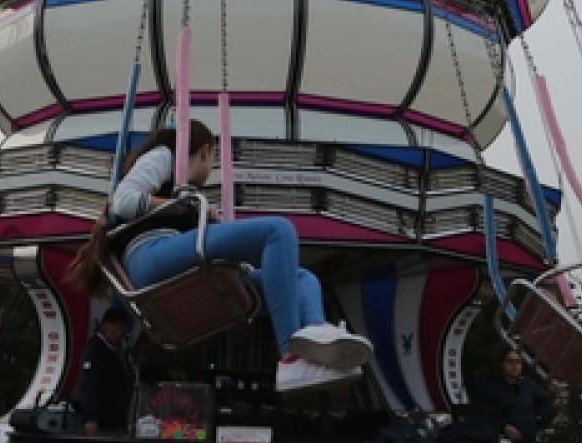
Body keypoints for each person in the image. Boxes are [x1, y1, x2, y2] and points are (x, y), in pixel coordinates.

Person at [68, 121, 372, 393]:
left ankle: (314, 344)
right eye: (212, 161)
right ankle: (290, 355)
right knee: (279, 231)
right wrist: (184, 205)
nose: (210, 169)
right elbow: (123, 201)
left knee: (303, 278)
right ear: (203, 152)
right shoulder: (164, 156)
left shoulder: (185, 198)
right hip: (151, 254)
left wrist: (201, 214)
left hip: (174, 260)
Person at [77, 305, 136, 436]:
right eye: (113, 325)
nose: (118, 330)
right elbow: (88, 385)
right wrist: (91, 418)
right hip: (101, 422)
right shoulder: (94, 350)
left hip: (119, 420)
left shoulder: (121, 351)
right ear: (104, 325)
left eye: (121, 326)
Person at [478, 348, 552, 443]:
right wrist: (504, 427)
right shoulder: (492, 387)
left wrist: (538, 418)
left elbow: (545, 400)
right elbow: (486, 413)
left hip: (529, 438)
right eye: (510, 361)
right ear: (502, 364)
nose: (515, 365)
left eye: (518, 362)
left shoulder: (527, 384)